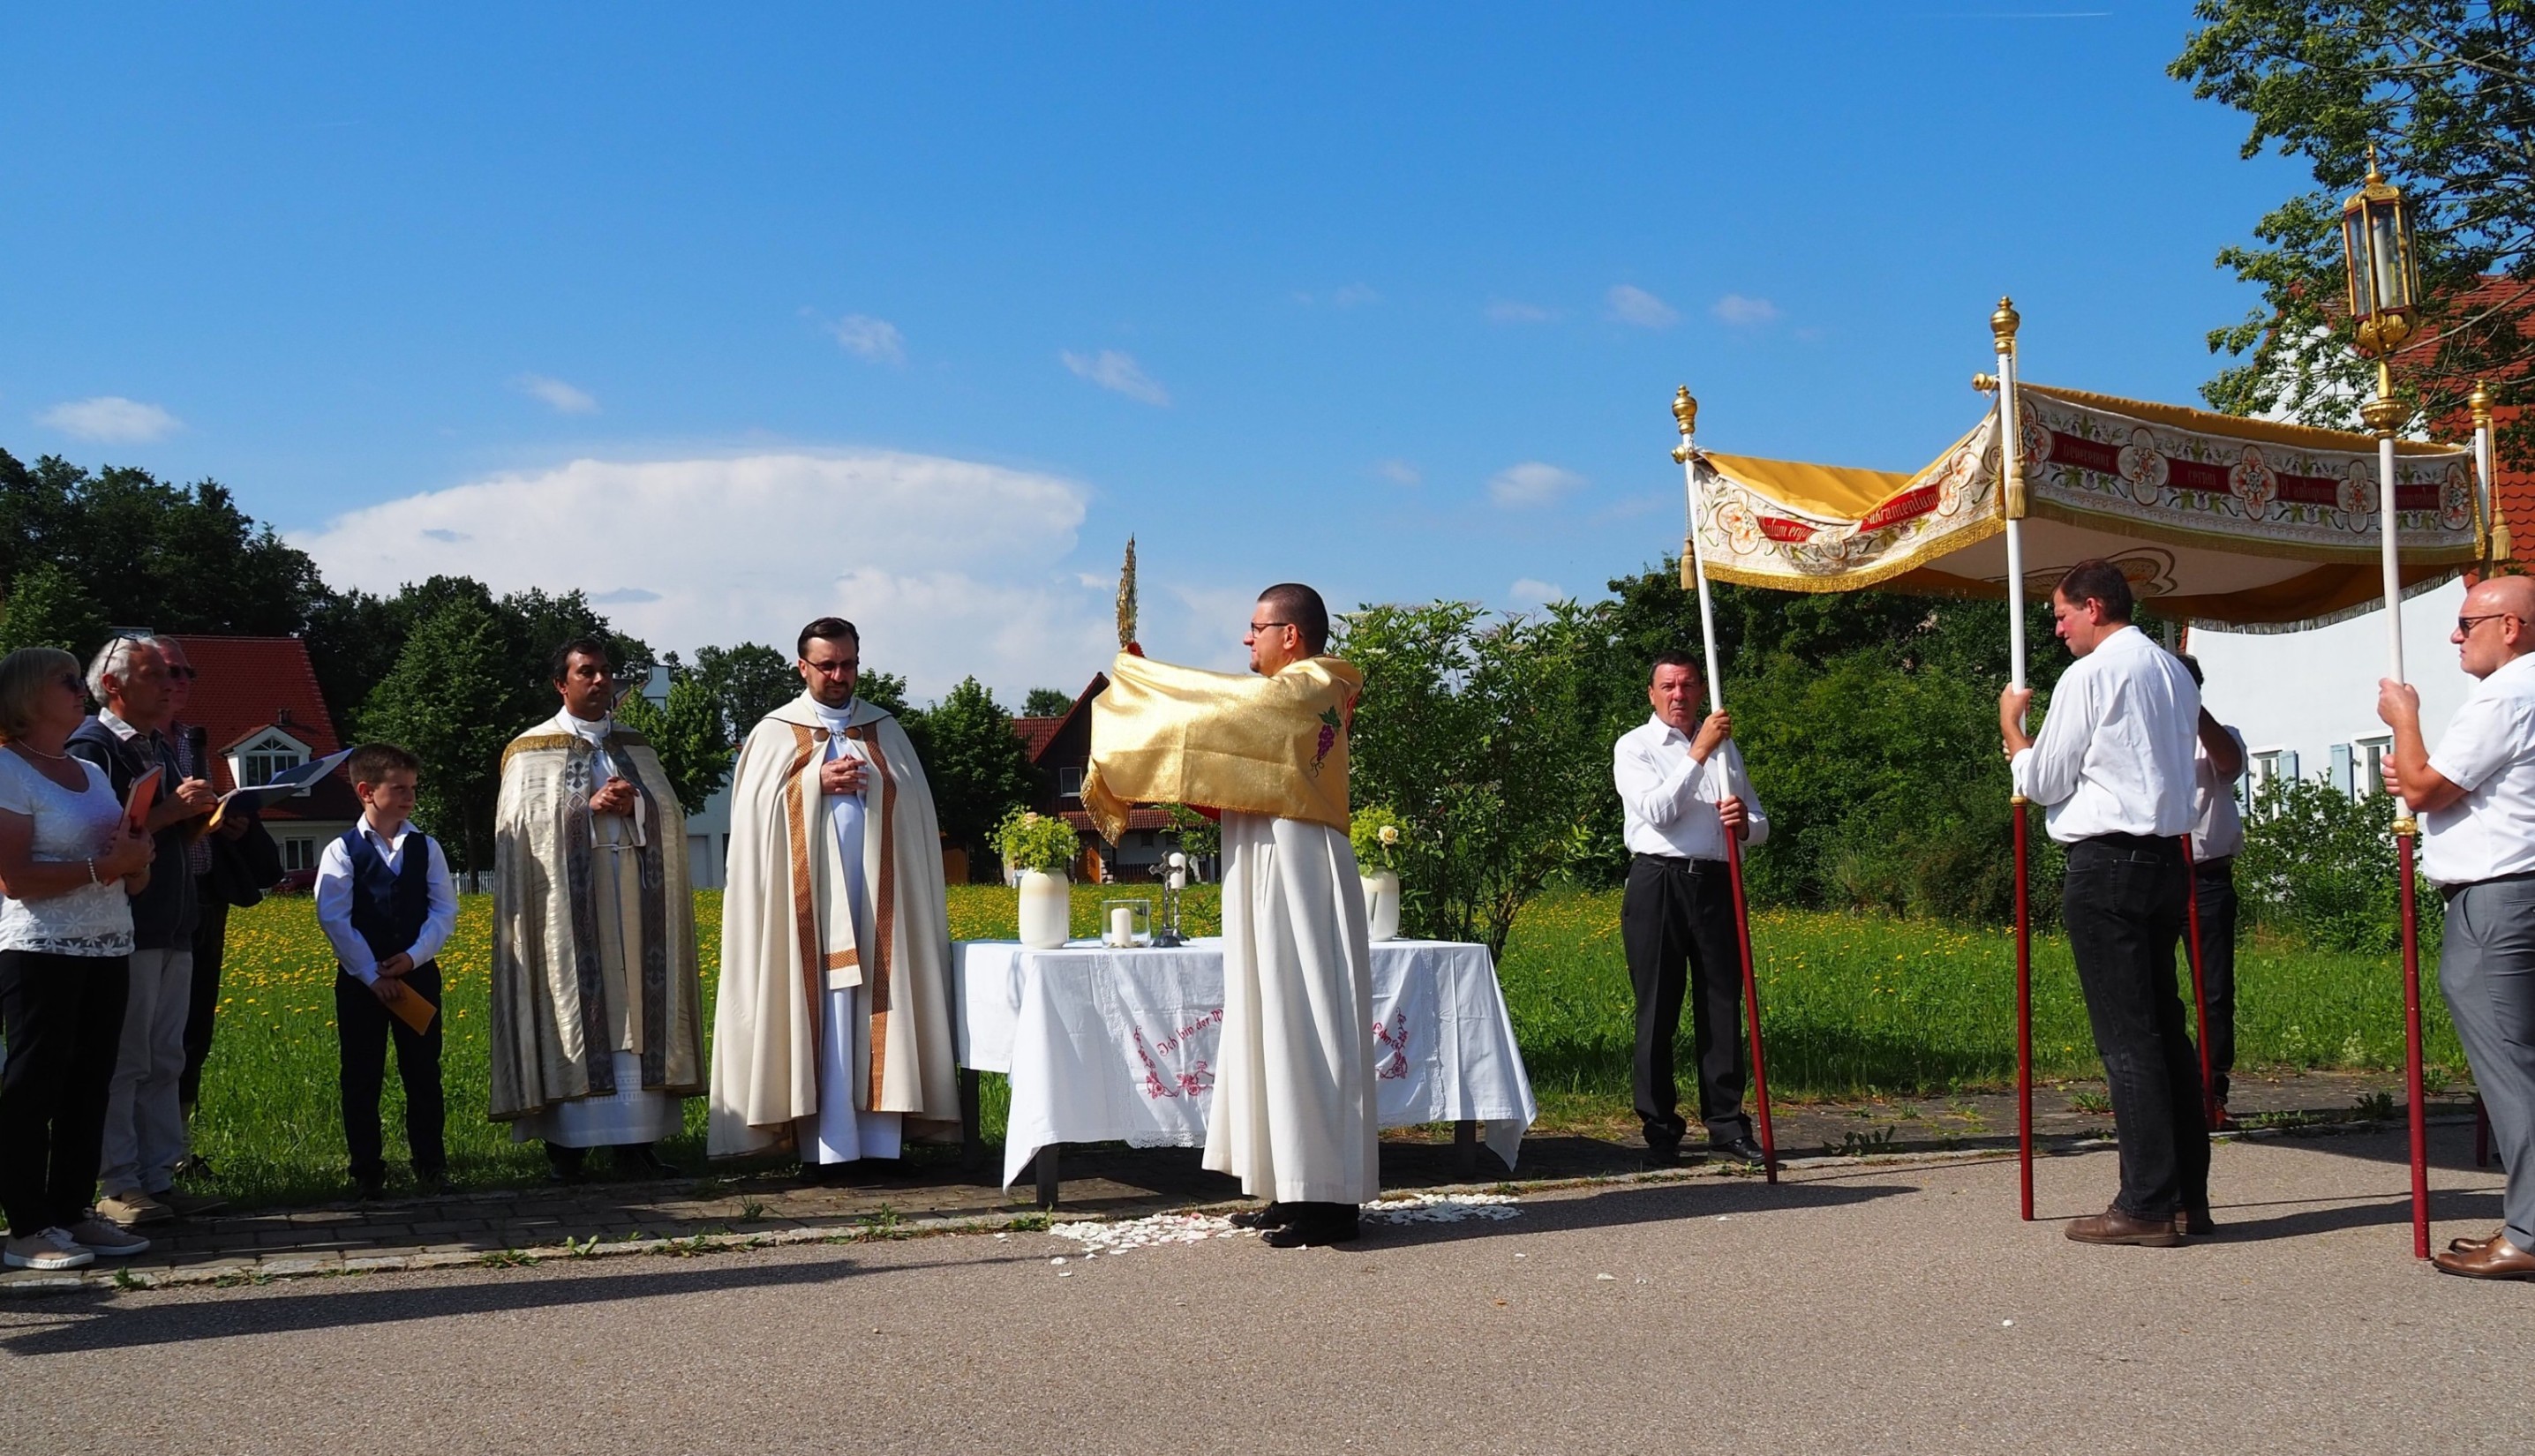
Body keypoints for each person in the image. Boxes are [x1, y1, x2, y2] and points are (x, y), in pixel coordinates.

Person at [1084, 584, 1378, 1248]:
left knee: (1304, 1022)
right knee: (1267, 1021)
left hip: (1300, 870)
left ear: (1292, 635)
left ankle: (1329, 1201)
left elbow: (1217, 714)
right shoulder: (1293, 691)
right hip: (1262, 856)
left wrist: (1142, 678)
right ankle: (1287, 1184)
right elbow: (1224, 746)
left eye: (1256, 628)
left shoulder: (1310, 687)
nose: (1248, 640)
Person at [2001, 559, 2208, 1248]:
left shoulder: (2091, 675)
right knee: (2165, 1031)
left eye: (2062, 615)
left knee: (2129, 1038)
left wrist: (2013, 737)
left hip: (2107, 861)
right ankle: (2186, 1197)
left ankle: (2146, 1202)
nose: (2057, 629)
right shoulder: (2174, 671)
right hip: (2165, 858)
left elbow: (2050, 776)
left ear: (2094, 607)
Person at [708, 619, 959, 1174]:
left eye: (848, 664)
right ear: (803, 667)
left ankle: (878, 1142)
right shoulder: (775, 732)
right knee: (817, 1010)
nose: (839, 675)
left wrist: (877, 781)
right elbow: (751, 824)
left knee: (878, 1005)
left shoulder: (885, 730)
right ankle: (817, 1143)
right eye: (827, 665)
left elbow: (915, 813)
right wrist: (810, 786)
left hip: (877, 909)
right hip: (806, 913)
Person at [491, 638, 703, 1182]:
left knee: (636, 1012)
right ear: (562, 684)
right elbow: (521, 836)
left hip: (635, 900)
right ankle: (567, 1148)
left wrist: (639, 806)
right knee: (573, 1009)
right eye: (587, 672)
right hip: (568, 909)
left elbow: (671, 821)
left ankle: (636, 1143)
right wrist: (585, 810)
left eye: (607, 672)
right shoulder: (529, 751)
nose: (601, 681)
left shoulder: (637, 747)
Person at [2377, 574, 2535, 1279]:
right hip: (2510, 889)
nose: (2454, 634)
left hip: (2497, 895)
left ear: (2512, 626)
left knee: (2510, 1068)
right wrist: (2418, 772)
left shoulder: (2509, 692)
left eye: (2468, 622)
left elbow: (2425, 788)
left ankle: (2531, 1234)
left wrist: (2404, 719)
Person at [0, 648, 157, 1270]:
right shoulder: (8, 768)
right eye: (66, 682)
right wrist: (107, 865)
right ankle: (26, 1227)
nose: (79, 690)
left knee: (90, 1083)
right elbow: (13, 878)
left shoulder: (89, 773)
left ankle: (70, 1212)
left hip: (108, 940)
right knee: (33, 1087)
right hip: (40, 947)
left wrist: (136, 857)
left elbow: (127, 876)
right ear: (26, 695)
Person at [66, 634, 218, 1227]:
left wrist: (204, 817)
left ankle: (159, 1176)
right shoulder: (94, 746)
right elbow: (102, 842)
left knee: (165, 1058)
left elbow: (160, 831)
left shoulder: (159, 745)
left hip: (172, 925)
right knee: (125, 1060)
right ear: (114, 686)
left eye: (174, 673)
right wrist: (174, 813)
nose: (170, 684)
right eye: (156, 674)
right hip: (126, 929)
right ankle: (118, 1183)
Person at [1613, 650, 1770, 1169]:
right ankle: (1660, 1129)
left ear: (1701, 691)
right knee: (1658, 1007)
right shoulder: (1634, 747)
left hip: (1717, 880)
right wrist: (1697, 752)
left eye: (1687, 686)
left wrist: (1746, 823)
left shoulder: (1728, 749)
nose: (1678, 695)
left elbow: (1760, 821)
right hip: (1658, 879)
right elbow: (1657, 810)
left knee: (1722, 1005)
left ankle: (1726, 1124)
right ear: (1652, 694)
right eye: (1668, 687)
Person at [313, 742, 457, 1199]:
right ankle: (367, 1168)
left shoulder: (426, 847)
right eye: (399, 788)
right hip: (362, 984)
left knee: (423, 1073)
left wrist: (412, 958)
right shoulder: (342, 851)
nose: (409, 797)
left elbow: (444, 911)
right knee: (361, 1074)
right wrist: (372, 975)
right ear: (366, 791)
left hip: (417, 976)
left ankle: (431, 1164)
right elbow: (333, 917)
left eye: (413, 788)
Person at [168, 636, 280, 1182]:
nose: (180, 682)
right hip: (148, 905)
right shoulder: (110, 747)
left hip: (206, 899)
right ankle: (135, 1165)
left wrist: (233, 825)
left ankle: (176, 1150)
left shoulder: (193, 741)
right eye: (168, 672)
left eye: (187, 672)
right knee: (147, 1040)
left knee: (193, 1032)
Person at [2177, 654, 2245, 1127]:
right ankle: (2171, 1087)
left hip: (2208, 877)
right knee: (2156, 989)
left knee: (2213, 991)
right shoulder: (2146, 739)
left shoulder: (2218, 735)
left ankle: (2212, 1090)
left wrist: (2195, 712)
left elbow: (2229, 762)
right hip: (2161, 875)